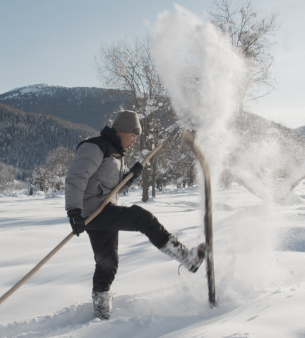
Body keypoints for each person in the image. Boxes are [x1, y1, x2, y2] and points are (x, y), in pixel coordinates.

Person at [65, 110, 206, 320]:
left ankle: (101, 313)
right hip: (94, 213)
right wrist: (74, 212)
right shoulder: (95, 147)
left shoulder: (115, 152)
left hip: (102, 211)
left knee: (107, 263)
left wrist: (130, 177)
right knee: (142, 218)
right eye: (133, 135)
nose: (134, 141)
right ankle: (186, 257)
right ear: (121, 131)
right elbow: (76, 177)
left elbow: (113, 188)